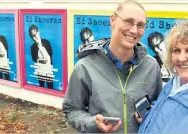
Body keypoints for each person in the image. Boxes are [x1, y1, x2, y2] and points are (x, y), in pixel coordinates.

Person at [63, 0, 162, 133]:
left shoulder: (151, 66)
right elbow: (72, 109)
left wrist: (150, 111)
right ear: (113, 20)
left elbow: (159, 103)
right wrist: (92, 123)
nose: (134, 30)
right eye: (128, 21)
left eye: (140, 25)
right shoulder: (85, 67)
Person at [29, 24, 54, 89]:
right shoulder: (33, 47)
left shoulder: (46, 42)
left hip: (48, 69)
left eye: (35, 34)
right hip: (40, 70)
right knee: (41, 86)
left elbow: (50, 55)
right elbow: (34, 58)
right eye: (32, 36)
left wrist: (40, 45)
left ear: (38, 32)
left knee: (50, 86)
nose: (34, 38)